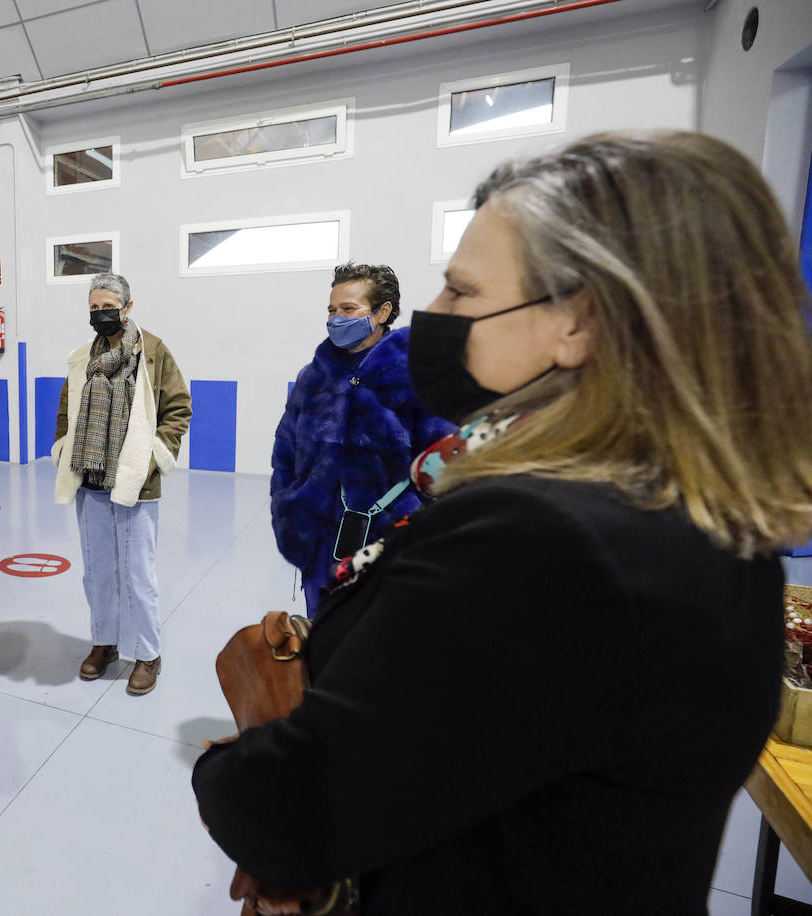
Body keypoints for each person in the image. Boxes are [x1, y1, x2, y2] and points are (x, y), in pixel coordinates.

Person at [192, 130, 812, 915]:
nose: (434, 313)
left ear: (578, 323)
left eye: (462, 291)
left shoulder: (545, 542)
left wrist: (226, 770)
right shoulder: (693, 511)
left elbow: (288, 806)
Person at [270, 263, 453, 615]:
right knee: (322, 637)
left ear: (382, 311)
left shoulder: (416, 377)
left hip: (390, 548)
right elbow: (285, 454)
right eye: (332, 309)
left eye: (349, 309)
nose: (336, 318)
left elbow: (443, 468)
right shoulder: (313, 379)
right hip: (320, 544)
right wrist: (288, 508)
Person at [53, 272, 192, 695]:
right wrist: (62, 446)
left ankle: (148, 654)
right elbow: (66, 410)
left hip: (134, 481)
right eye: (94, 308)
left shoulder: (152, 352)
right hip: (90, 480)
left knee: (137, 575)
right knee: (97, 573)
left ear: (127, 306)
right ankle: (105, 644)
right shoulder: (82, 357)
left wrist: (155, 458)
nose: (101, 314)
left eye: (108, 306)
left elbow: (178, 407)